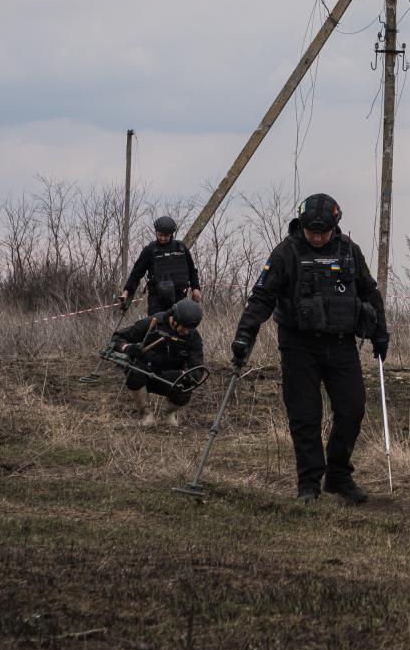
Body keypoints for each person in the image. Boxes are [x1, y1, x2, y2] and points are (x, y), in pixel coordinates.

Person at [229, 193, 389, 505]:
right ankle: (309, 484)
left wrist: (380, 333)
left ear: (335, 227)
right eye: (311, 232)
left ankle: (339, 476)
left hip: (341, 345)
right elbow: (261, 297)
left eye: (323, 232)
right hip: (298, 346)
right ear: (301, 225)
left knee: (352, 409)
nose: (316, 238)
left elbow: (369, 292)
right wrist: (244, 336)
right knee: (306, 416)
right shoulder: (285, 253)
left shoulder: (349, 252)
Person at [109, 298, 206, 427]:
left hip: (171, 378)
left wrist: (188, 376)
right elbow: (117, 338)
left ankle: (167, 414)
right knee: (134, 372)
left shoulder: (193, 337)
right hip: (146, 373)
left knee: (186, 387)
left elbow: (197, 367)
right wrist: (127, 348)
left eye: (190, 329)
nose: (186, 332)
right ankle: (146, 415)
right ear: (175, 319)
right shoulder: (152, 323)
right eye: (184, 327)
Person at [119, 215, 202, 315]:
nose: (162, 238)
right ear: (156, 233)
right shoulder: (150, 250)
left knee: (180, 327)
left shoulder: (181, 248)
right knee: (157, 327)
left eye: (166, 236)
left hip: (179, 297)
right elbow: (136, 274)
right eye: (160, 235)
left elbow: (192, 271)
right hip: (157, 300)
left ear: (171, 234)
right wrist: (126, 292)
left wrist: (196, 289)